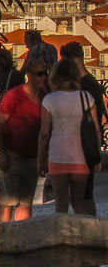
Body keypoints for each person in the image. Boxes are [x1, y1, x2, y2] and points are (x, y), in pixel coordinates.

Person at [0, 44, 56, 222]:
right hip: (12, 157)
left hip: (32, 158)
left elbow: (48, 130)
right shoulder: (14, 96)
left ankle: (21, 236)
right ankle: (3, 235)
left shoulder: (46, 98)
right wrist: (2, 153)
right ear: (29, 75)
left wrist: (43, 158)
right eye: (39, 74)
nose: (44, 78)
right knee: (6, 202)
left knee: (26, 203)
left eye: (45, 73)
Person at [39, 57, 97, 215]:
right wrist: (96, 157)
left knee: (61, 203)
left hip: (57, 156)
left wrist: (40, 159)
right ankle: (83, 236)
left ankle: (62, 237)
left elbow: (44, 133)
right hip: (81, 158)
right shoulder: (86, 98)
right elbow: (95, 130)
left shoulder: (49, 100)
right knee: (78, 202)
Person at [60, 40, 104, 215]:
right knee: (81, 196)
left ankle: (89, 231)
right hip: (84, 145)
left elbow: (94, 122)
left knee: (84, 196)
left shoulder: (88, 86)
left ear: (73, 61)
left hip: (84, 146)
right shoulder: (89, 84)